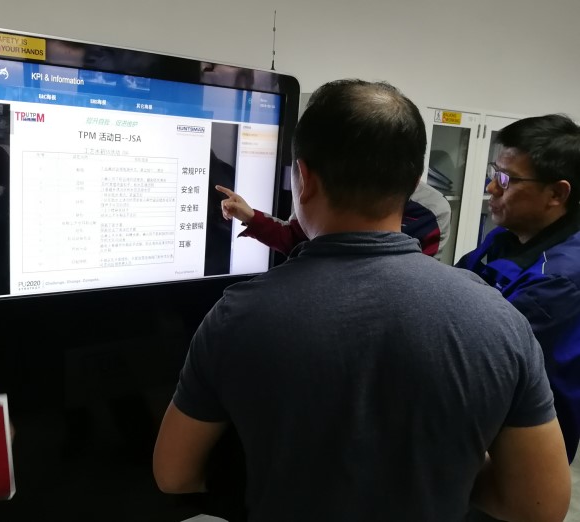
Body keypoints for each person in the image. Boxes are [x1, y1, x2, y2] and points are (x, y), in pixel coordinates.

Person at [153, 79, 570, 521]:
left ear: (304, 178)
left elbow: (174, 474)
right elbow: (538, 505)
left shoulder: (237, 316)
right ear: (413, 180)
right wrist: (442, 470)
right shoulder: (499, 320)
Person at [456, 114, 580, 463]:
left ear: (556, 193)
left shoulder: (559, 279)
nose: (492, 187)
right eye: (495, 173)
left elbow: (477, 353)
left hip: (518, 447)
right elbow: (455, 286)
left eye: (506, 179)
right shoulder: (505, 237)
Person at [216, 171, 450, 260]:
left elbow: (423, 274)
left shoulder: (431, 210)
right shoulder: (329, 185)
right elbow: (295, 237)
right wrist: (251, 217)